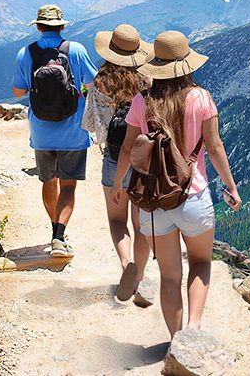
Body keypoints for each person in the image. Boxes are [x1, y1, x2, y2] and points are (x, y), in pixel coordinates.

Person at [112, 30, 242, 337]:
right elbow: (214, 147)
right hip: (193, 197)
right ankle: (192, 331)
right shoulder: (201, 98)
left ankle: (175, 340)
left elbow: (128, 148)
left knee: (169, 276)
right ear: (186, 64)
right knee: (200, 264)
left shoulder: (142, 102)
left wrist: (118, 184)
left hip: (153, 201)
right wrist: (231, 186)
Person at [11, 4, 98, 257]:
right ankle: (59, 237)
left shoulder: (26, 53)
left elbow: (18, 91)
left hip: (41, 131)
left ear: (38, 27)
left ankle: (55, 231)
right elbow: (92, 82)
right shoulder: (76, 50)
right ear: (61, 26)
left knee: (48, 181)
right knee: (68, 185)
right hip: (73, 131)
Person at [82, 24, 155, 305]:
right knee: (141, 224)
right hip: (143, 160)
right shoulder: (147, 82)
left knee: (116, 220)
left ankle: (126, 265)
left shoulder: (100, 82)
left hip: (114, 158)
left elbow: (90, 125)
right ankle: (139, 279)